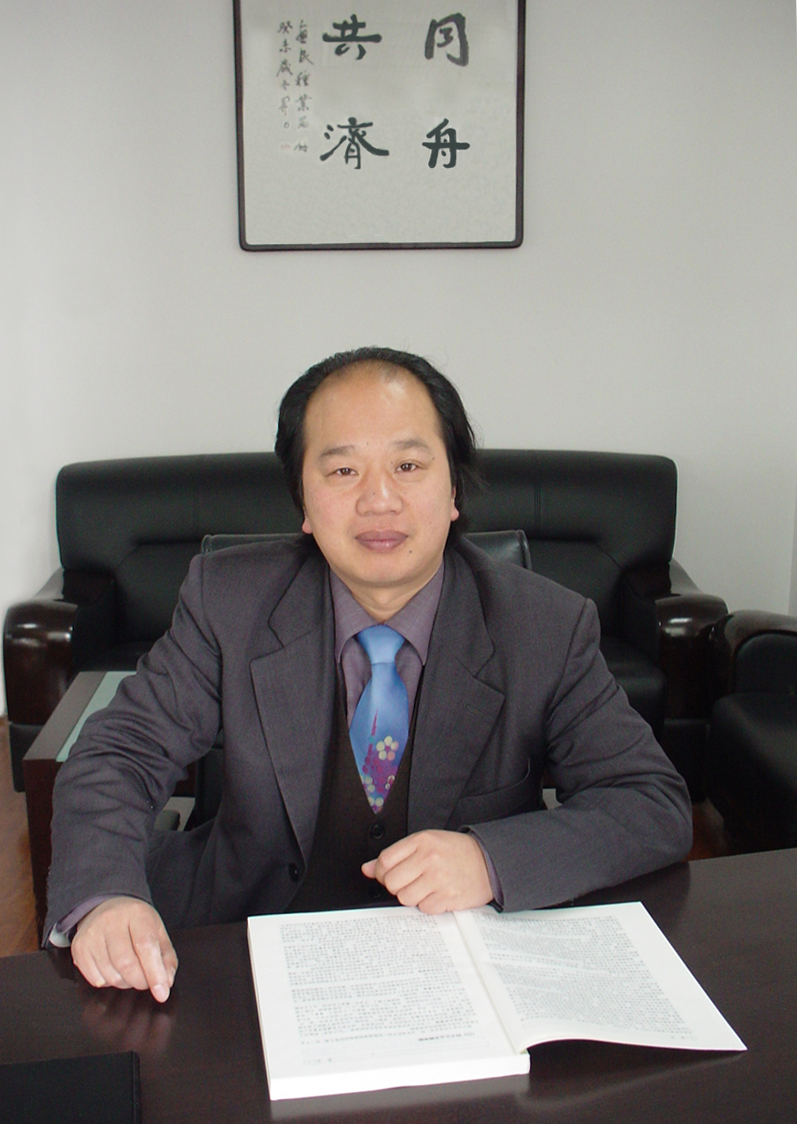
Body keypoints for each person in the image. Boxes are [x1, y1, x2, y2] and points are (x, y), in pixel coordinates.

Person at [45, 347, 692, 1003]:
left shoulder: (544, 626)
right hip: (247, 946)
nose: (379, 500)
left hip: (459, 970)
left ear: (453, 490)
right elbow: (120, 753)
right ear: (303, 502)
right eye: (343, 470)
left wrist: (491, 860)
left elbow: (648, 801)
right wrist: (107, 897)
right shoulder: (229, 601)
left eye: (408, 466)